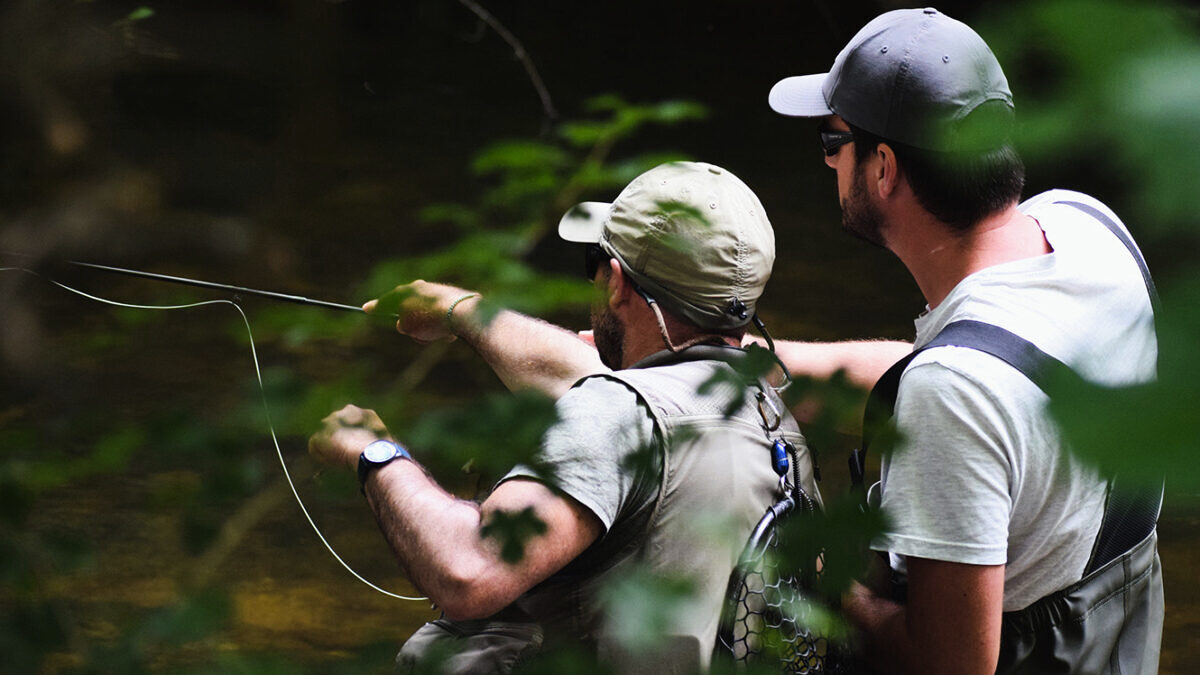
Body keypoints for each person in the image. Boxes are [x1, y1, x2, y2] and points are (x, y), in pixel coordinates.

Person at [767, 7, 1162, 674]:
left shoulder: (953, 393)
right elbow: (989, 374)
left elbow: (950, 665)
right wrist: (766, 366)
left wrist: (829, 574)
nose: (829, 161)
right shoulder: (1088, 226)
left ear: (884, 167)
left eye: (833, 142)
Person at [308, 161, 821, 672]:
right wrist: (460, 311)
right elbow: (594, 382)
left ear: (616, 281)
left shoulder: (619, 412)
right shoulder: (774, 421)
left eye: (594, 263)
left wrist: (374, 452)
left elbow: (468, 570)